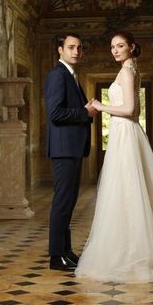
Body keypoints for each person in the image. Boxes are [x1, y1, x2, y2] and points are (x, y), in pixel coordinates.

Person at [75, 31, 153, 283]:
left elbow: (131, 110)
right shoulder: (128, 69)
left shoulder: (128, 71)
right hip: (121, 134)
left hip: (126, 133)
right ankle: (128, 246)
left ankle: (136, 252)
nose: (115, 50)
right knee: (124, 191)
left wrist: (100, 106)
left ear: (131, 47)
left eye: (120, 46)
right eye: (112, 47)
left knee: (128, 190)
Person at [45, 33, 97, 271]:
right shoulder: (57, 75)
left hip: (73, 148)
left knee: (69, 202)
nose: (76, 51)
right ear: (60, 50)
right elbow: (55, 114)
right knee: (62, 203)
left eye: (79, 47)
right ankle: (56, 257)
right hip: (64, 149)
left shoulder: (71, 75)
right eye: (71, 47)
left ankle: (66, 252)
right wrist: (84, 113)